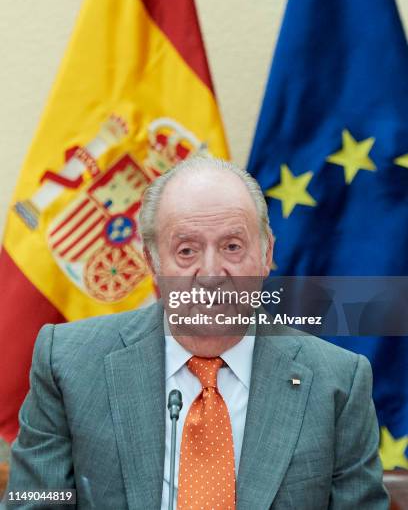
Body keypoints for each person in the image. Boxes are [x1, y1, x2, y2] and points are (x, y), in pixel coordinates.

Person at [6, 156, 389, 509]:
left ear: (267, 253)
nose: (210, 274)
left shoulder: (338, 382)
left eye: (232, 246)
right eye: (186, 251)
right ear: (152, 262)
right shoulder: (69, 363)